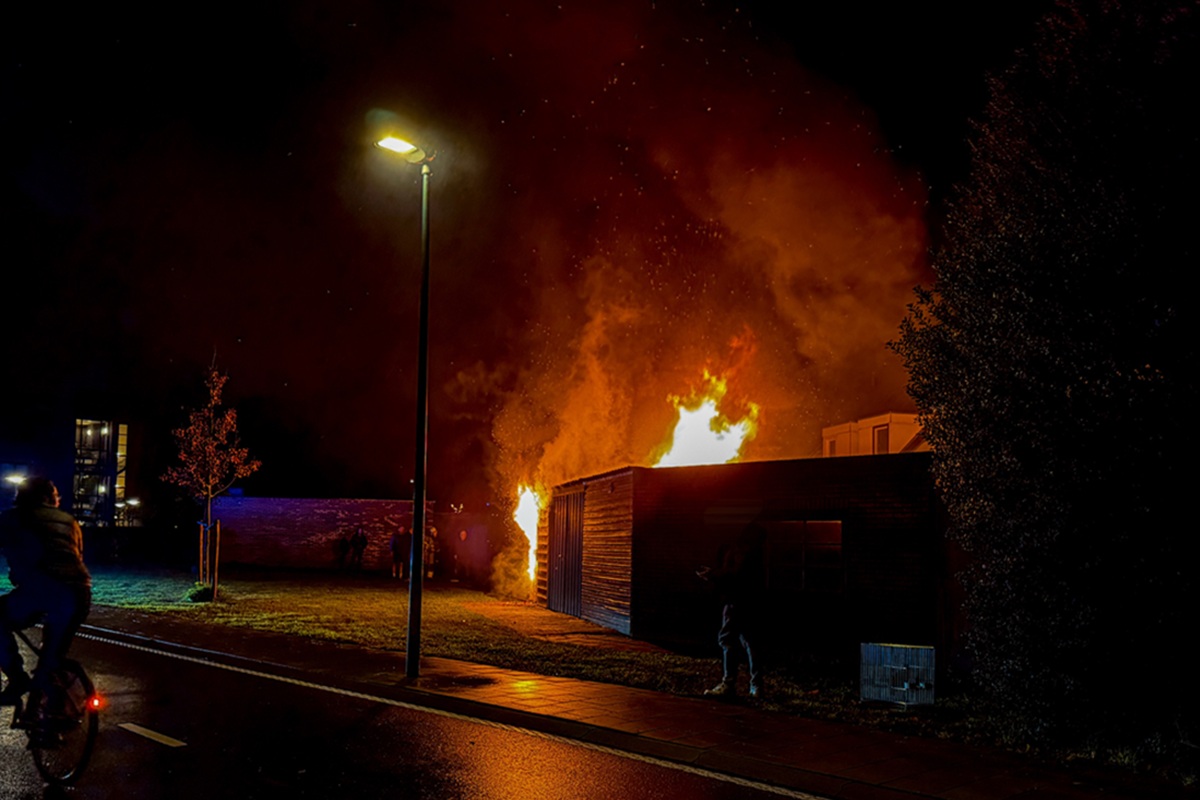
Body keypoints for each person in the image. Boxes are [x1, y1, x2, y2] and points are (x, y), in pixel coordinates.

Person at [0, 478, 92, 707]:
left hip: (42, 589)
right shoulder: (69, 521)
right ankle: (52, 710)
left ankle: (17, 679)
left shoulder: (13, 518)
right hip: (80, 593)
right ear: (52, 497)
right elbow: (76, 556)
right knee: (52, 658)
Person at [696, 523, 767, 699]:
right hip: (750, 600)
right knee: (751, 641)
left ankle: (728, 684)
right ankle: (756, 686)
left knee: (727, 639)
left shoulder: (739, 550)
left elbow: (734, 575)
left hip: (735, 601)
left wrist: (712, 574)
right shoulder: (755, 550)